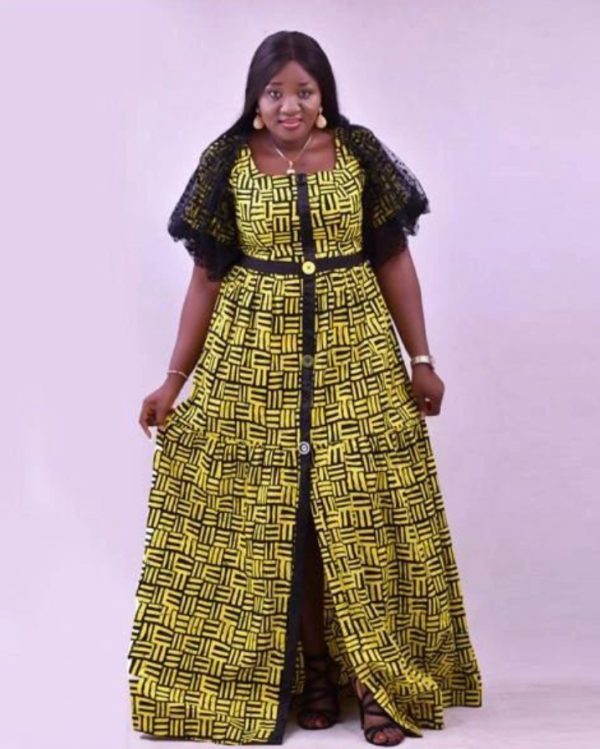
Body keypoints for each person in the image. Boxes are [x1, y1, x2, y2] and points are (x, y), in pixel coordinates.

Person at [127, 29, 483, 747]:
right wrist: (173, 380)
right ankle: (313, 673)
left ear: (324, 97)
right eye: (274, 92)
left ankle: (378, 680)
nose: (289, 105)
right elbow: (206, 277)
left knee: (361, 512)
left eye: (303, 91)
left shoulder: (359, 154)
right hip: (252, 364)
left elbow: (394, 259)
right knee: (280, 520)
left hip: (359, 360)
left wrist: (420, 357)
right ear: (255, 100)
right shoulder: (227, 162)